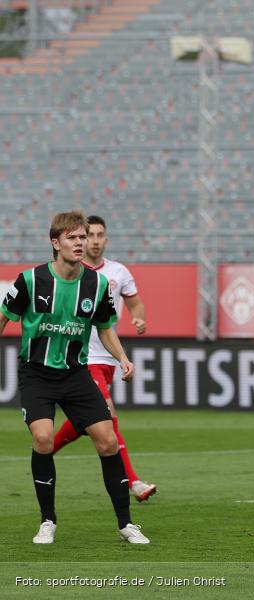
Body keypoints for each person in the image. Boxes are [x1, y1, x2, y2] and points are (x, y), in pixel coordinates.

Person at [0, 210, 149, 544]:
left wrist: (122, 357)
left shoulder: (97, 284)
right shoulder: (30, 280)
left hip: (75, 374)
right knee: (43, 438)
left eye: (83, 237)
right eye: (73, 238)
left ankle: (126, 524)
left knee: (108, 441)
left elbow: (105, 328)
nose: (80, 243)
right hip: (37, 373)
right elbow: (4, 318)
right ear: (56, 243)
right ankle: (47, 521)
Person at [51, 215, 157, 502]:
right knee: (107, 416)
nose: (95, 241)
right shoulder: (71, 270)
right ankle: (133, 482)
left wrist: (138, 319)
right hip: (83, 358)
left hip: (107, 357)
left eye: (100, 235)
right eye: (91, 235)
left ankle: (44, 450)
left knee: (86, 419)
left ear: (106, 239)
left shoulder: (118, 272)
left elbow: (136, 304)